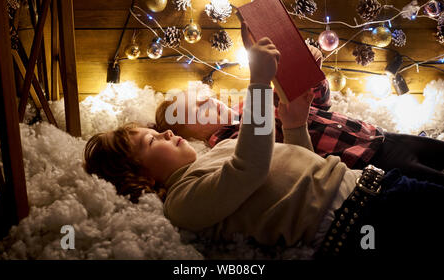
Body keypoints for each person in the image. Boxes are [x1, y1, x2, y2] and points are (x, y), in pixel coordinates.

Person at [84, 23, 444, 259]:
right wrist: (257, 82)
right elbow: (251, 169)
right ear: (140, 176)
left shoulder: (219, 151)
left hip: (374, 182)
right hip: (357, 219)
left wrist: (295, 125)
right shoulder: (182, 202)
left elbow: (306, 166)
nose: (167, 132)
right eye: (152, 140)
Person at [155, 47, 444, 186]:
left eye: (209, 97)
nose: (211, 101)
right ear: (190, 136)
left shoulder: (252, 102)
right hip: (363, 160)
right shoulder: (231, 143)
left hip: (376, 134)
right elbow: (285, 159)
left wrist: (311, 74)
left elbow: (319, 104)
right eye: (199, 107)